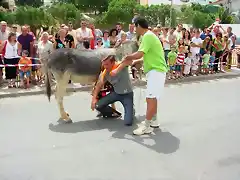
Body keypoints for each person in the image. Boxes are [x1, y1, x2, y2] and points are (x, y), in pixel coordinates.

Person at [111, 17, 168, 135]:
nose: (134, 29)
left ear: (138, 26)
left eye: (135, 27)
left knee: (150, 98)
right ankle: (154, 120)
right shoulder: (149, 36)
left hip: (156, 71)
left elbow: (139, 54)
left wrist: (128, 57)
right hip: (156, 70)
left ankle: (147, 125)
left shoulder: (147, 36)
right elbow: (145, 56)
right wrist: (135, 61)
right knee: (152, 98)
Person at [91, 55, 134, 126]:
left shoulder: (120, 65)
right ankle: (113, 113)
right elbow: (98, 85)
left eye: (107, 64)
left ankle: (131, 110)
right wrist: (93, 99)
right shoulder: (105, 73)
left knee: (128, 122)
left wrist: (117, 70)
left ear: (113, 62)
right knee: (98, 105)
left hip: (127, 94)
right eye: (104, 64)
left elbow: (129, 61)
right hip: (116, 94)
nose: (105, 67)